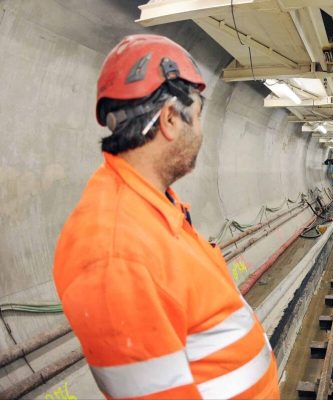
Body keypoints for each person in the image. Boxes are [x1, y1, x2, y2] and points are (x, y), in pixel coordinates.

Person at [53, 35, 280, 399]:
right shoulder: (116, 249)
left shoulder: (153, 208)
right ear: (170, 119)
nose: (202, 132)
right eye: (200, 117)